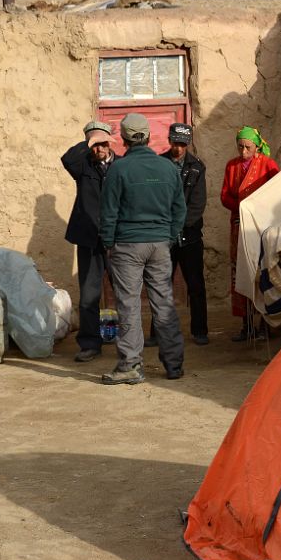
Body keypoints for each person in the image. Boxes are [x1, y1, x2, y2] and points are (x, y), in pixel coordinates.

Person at [99, 113, 187, 384]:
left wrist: (108, 242)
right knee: (164, 303)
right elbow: (179, 209)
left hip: (128, 246)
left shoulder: (119, 169)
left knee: (129, 305)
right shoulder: (168, 169)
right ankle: (173, 364)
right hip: (160, 245)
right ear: (148, 137)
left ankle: (131, 365)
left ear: (123, 140)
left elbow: (109, 212)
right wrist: (169, 236)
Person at [61, 120, 119, 363]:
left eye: (103, 144)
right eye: (95, 145)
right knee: (89, 295)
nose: (99, 150)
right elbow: (67, 159)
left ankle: (128, 341)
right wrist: (88, 141)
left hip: (117, 240)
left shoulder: (122, 165)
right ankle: (89, 343)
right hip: (89, 239)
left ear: (111, 144)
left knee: (125, 291)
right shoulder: (83, 164)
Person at [148, 122, 209, 346]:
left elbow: (197, 205)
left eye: (183, 144)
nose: (179, 148)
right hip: (164, 238)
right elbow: (154, 199)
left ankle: (200, 330)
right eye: (175, 143)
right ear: (170, 141)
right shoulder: (158, 164)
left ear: (188, 144)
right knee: (160, 285)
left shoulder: (197, 167)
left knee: (195, 285)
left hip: (189, 237)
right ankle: (157, 333)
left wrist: (178, 226)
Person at [221, 125, 280, 341]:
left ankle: (266, 325)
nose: (243, 152)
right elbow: (225, 195)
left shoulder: (268, 165)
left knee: (263, 271)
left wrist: (257, 208)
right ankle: (246, 325)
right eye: (240, 147)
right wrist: (241, 207)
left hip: (262, 227)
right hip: (239, 226)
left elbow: (277, 192)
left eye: (247, 147)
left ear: (257, 146)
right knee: (241, 273)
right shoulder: (232, 166)